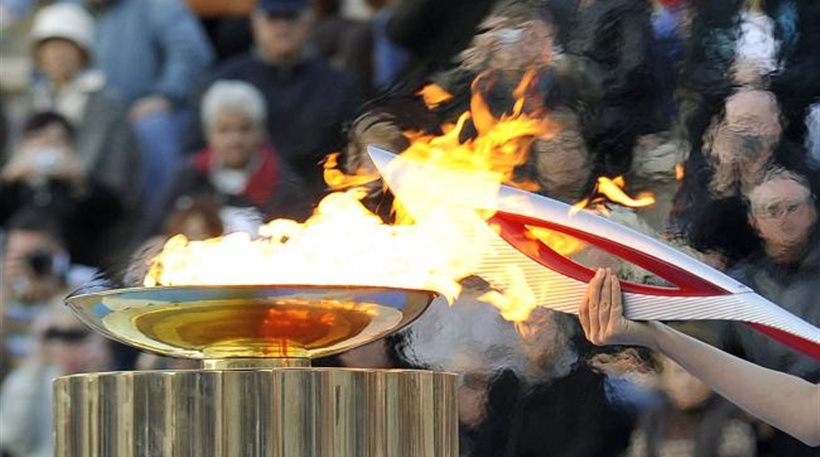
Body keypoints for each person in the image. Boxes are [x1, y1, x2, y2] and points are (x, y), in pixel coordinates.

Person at [578, 268, 820, 447]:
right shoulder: (652, 424)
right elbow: (809, 410)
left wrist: (660, 338)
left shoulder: (731, 432)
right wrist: (658, 337)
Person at [185, 0, 361, 198]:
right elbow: (196, 151)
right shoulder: (224, 81)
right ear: (255, 23)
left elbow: (353, 155)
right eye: (272, 18)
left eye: (291, 18)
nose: (282, 27)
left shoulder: (338, 85)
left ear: (310, 22)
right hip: (242, 200)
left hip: (320, 199)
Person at [83, 0, 214, 209]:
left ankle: (163, 218)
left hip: (155, 110)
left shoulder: (157, 5)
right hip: (98, 114)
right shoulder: (73, 11)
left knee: (152, 126)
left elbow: (190, 52)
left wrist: (166, 95)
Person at [143, 80, 307, 239]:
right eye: (224, 130)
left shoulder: (283, 186)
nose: (234, 140)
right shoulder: (188, 177)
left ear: (261, 132)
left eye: (244, 129)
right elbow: (149, 235)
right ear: (208, 133)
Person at [28, 3, 141, 208]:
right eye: (50, 48)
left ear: (82, 53)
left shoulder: (106, 103)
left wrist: (71, 170)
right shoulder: (36, 100)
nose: (57, 56)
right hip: (39, 198)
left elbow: (113, 178)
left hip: (89, 203)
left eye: (65, 47)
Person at [0, 112, 125, 267]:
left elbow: (113, 215)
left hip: (75, 271)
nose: (45, 146)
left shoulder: (78, 186)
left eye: (55, 141)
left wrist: (79, 181)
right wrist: (8, 178)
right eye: (37, 139)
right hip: (17, 270)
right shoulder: (14, 187)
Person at [0, 302, 114, 457]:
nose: (62, 344)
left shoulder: (111, 378)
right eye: (55, 335)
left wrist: (99, 369)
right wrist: (36, 361)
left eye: (74, 336)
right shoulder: (29, 379)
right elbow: (11, 439)